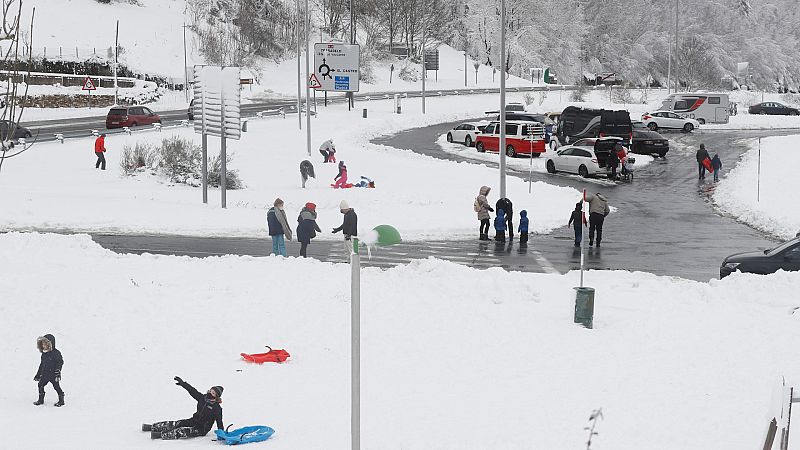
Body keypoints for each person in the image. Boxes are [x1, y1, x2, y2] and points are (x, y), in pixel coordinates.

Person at [143, 377, 223, 440]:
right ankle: (153, 427)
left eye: (213, 393)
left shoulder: (216, 408)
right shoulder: (202, 398)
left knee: (182, 431)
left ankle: (160, 435)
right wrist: (183, 384)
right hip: (194, 420)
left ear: (216, 396)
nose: (210, 393)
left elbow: (219, 421)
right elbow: (192, 391)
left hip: (202, 429)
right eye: (210, 391)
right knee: (178, 423)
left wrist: (222, 434)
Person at [33, 334, 64, 407]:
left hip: (53, 375)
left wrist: (57, 371)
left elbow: (60, 362)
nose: (43, 345)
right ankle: (41, 400)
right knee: (40, 385)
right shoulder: (44, 354)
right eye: (42, 344)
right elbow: (42, 365)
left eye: (45, 344)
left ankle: (61, 400)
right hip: (45, 374)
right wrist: (38, 374)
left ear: (51, 344)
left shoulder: (56, 353)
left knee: (56, 387)